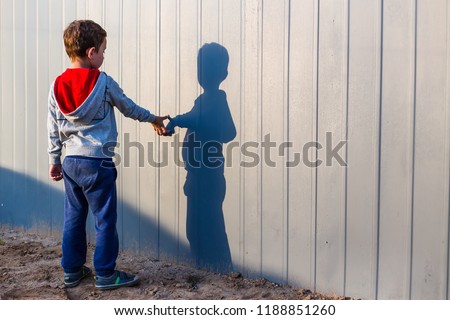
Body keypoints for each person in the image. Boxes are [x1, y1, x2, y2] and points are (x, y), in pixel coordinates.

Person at [47, 20, 168, 289]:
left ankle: (72, 270)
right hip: (97, 162)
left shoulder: (57, 85)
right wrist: (153, 118)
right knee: (104, 219)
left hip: (70, 162)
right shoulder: (102, 81)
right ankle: (105, 274)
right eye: (103, 50)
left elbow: (52, 127)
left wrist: (54, 160)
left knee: (73, 217)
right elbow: (128, 107)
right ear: (91, 53)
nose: (103, 55)